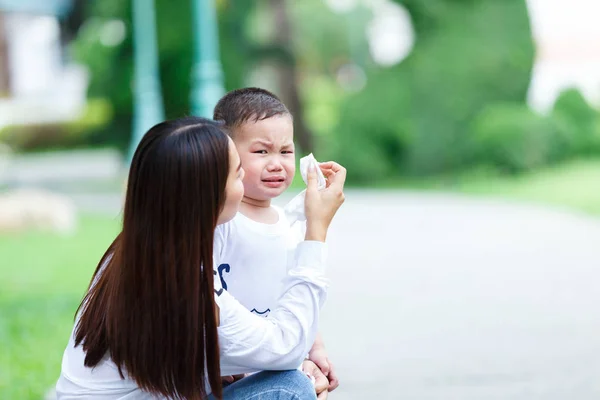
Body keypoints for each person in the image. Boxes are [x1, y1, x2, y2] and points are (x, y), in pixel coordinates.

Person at [55, 117, 346, 399]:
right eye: (237, 173)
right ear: (207, 194)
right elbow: (285, 348)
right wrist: (316, 230)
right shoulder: (186, 283)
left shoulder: (141, 250)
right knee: (291, 388)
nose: (244, 177)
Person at [212, 88, 339, 397]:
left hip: (272, 359)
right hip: (231, 366)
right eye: (261, 151)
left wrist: (315, 348)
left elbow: (297, 292)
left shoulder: (288, 223)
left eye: (285, 151)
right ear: (227, 154)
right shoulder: (223, 223)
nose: (276, 163)